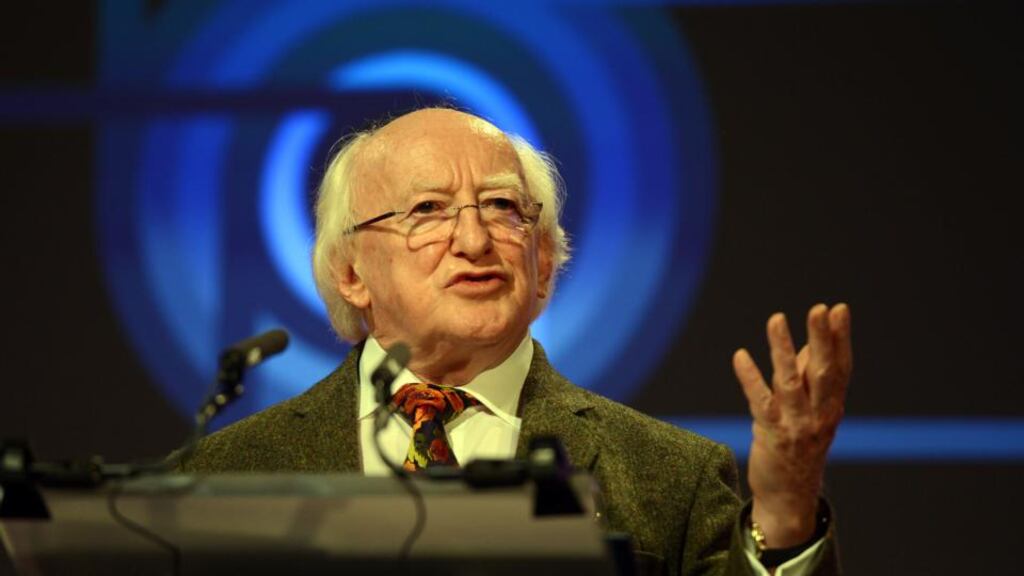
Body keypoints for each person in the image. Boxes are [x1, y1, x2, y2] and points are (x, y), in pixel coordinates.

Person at [180, 108, 851, 576]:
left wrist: (786, 512)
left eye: (502, 208)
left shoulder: (673, 478)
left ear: (544, 262)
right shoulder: (228, 476)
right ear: (352, 273)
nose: (474, 241)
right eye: (428, 211)